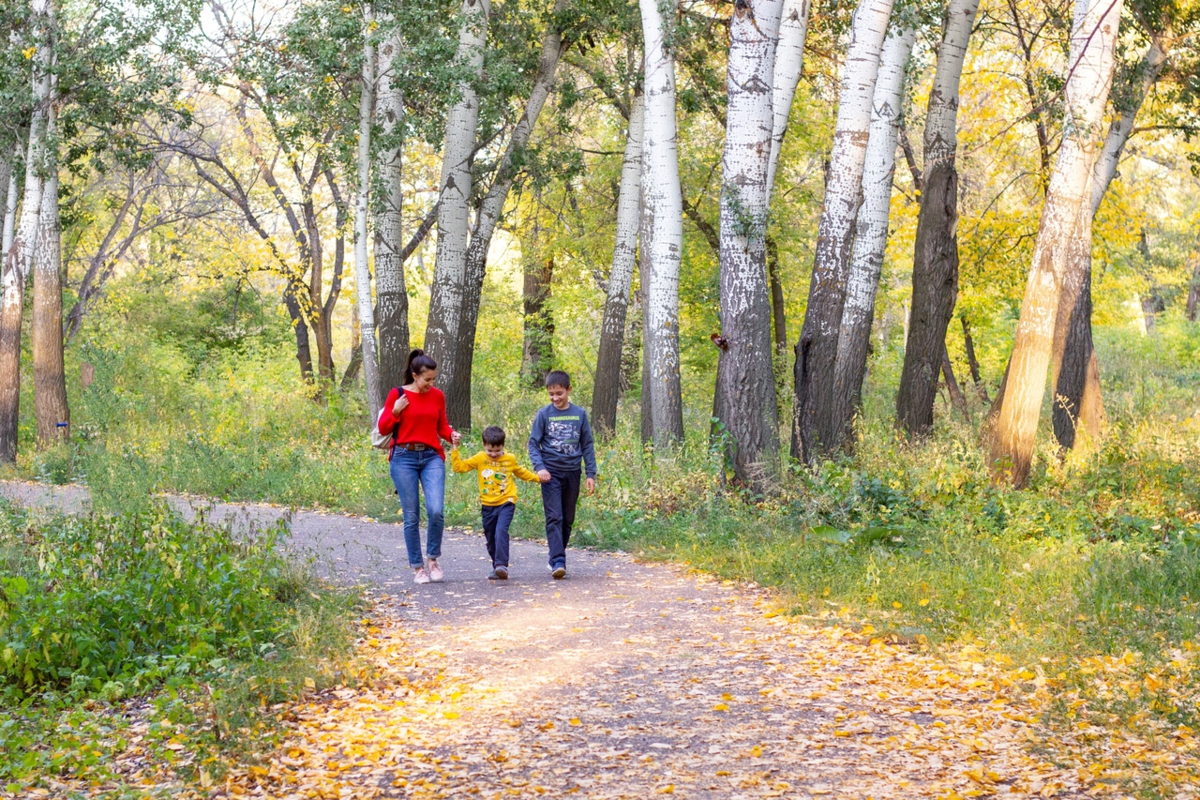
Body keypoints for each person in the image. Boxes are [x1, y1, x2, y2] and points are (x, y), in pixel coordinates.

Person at [378, 349, 460, 584]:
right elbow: (383, 429)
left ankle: (433, 559)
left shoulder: (437, 396)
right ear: (415, 375)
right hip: (403, 458)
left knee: (436, 510)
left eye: (434, 379)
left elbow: (442, 427)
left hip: (431, 457)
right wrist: (395, 411)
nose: (430, 384)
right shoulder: (398, 394)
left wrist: (452, 435)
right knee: (411, 516)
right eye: (427, 379)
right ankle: (418, 568)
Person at [450, 425, 545, 580]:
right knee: (491, 538)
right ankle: (496, 566)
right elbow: (458, 467)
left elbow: (521, 472)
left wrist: (538, 478)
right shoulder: (480, 458)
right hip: (487, 505)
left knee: (501, 531)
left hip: (506, 501)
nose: (494, 454)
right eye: (490, 451)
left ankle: (502, 565)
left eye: (497, 450)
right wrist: (455, 449)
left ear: (503, 446)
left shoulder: (510, 459)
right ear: (484, 446)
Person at [527, 370, 597, 579]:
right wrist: (540, 467)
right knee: (554, 517)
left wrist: (590, 474)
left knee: (567, 519)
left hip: (573, 472)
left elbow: (587, 445)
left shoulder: (580, 414)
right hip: (550, 473)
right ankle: (558, 560)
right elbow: (533, 443)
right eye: (551, 394)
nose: (555, 398)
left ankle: (556, 557)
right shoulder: (544, 414)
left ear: (569, 390)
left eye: (559, 393)